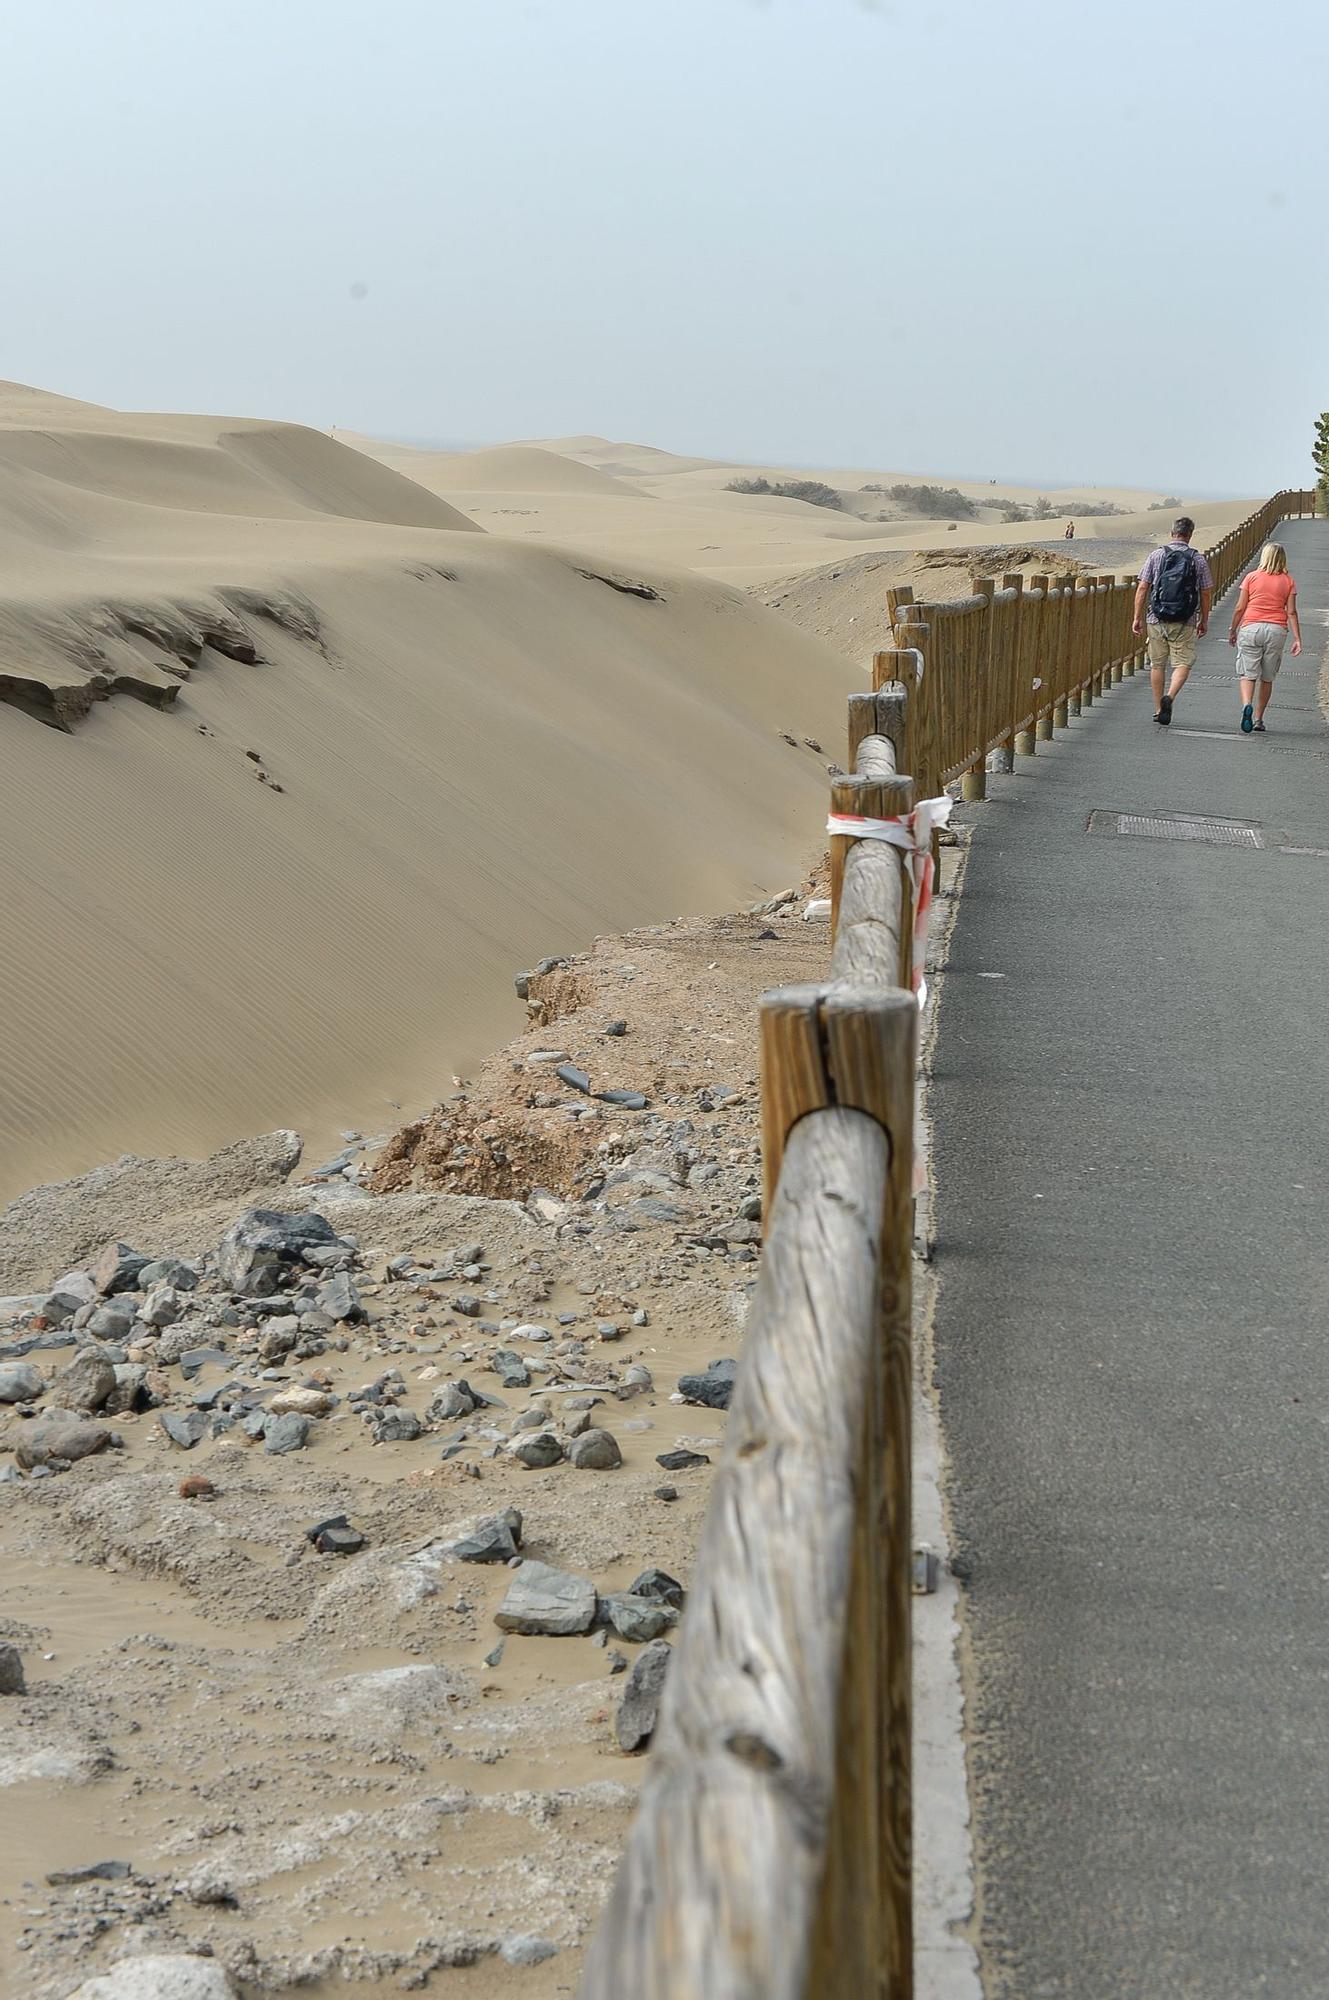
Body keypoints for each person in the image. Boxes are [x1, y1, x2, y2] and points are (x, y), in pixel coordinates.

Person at [1132, 515, 1214, 726]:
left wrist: (1136, 617)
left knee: (1157, 665)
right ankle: (1170, 696)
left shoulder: (1156, 555)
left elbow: (1143, 587)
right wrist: (1204, 619)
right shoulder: (1198, 559)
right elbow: (1205, 592)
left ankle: (1159, 709)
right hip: (1185, 619)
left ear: (1172, 533)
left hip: (1156, 617)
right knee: (1183, 662)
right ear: (1190, 535)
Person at [1228, 542, 1301, 731]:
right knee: (1267, 678)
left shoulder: (1251, 578)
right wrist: (1297, 638)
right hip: (1276, 630)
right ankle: (1259, 718)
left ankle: (1246, 705)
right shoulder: (1288, 581)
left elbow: (1240, 607)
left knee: (1247, 673)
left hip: (1251, 627)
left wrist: (1233, 629)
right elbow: (1291, 612)